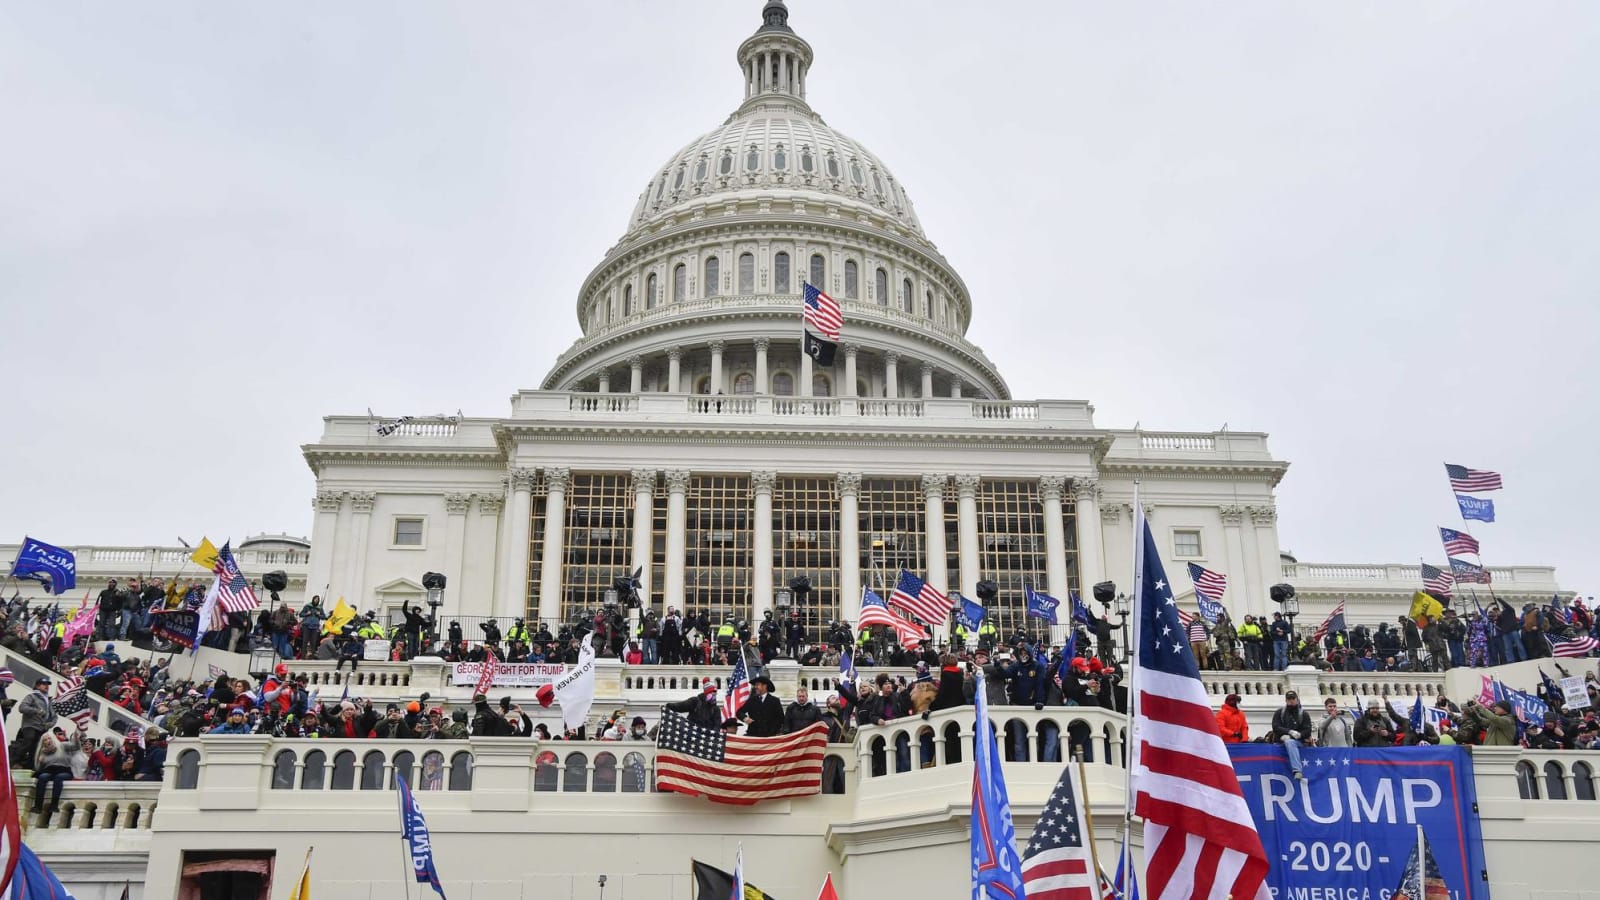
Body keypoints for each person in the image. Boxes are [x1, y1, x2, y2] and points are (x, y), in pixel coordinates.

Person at [33, 726, 82, 819]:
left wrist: (76, 736)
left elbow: (76, 747)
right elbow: (39, 769)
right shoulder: (43, 753)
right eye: (45, 740)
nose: (48, 741)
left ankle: (54, 805)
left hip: (64, 770)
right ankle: (37, 806)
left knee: (58, 778)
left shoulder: (62, 746)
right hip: (50, 770)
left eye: (49, 738)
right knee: (42, 777)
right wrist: (41, 762)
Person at [1270, 690, 1313, 780]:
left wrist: (1299, 735)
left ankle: (1297, 770)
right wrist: (1289, 732)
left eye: (1293, 698)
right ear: (1286, 700)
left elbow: (1308, 730)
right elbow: (1276, 727)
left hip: (1297, 742)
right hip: (1281, 741)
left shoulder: (1303, 714)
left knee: (1290, 742)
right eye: (1289, 699)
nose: (1291, 701)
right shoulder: (1279, 713)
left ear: (1297, 699)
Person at [12, 675, 54, 766]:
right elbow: (22, 707)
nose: (46, 686)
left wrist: (49, 724)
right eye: (43, 684)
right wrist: (36, 711)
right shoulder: (31, 696)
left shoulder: (49, 701)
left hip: (42, 728)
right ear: (37, 686)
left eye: (47, 684)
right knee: (28, 741)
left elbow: (54, 716)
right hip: (30, 725)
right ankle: (13, 760)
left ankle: (29, 766)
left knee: (36, 748)